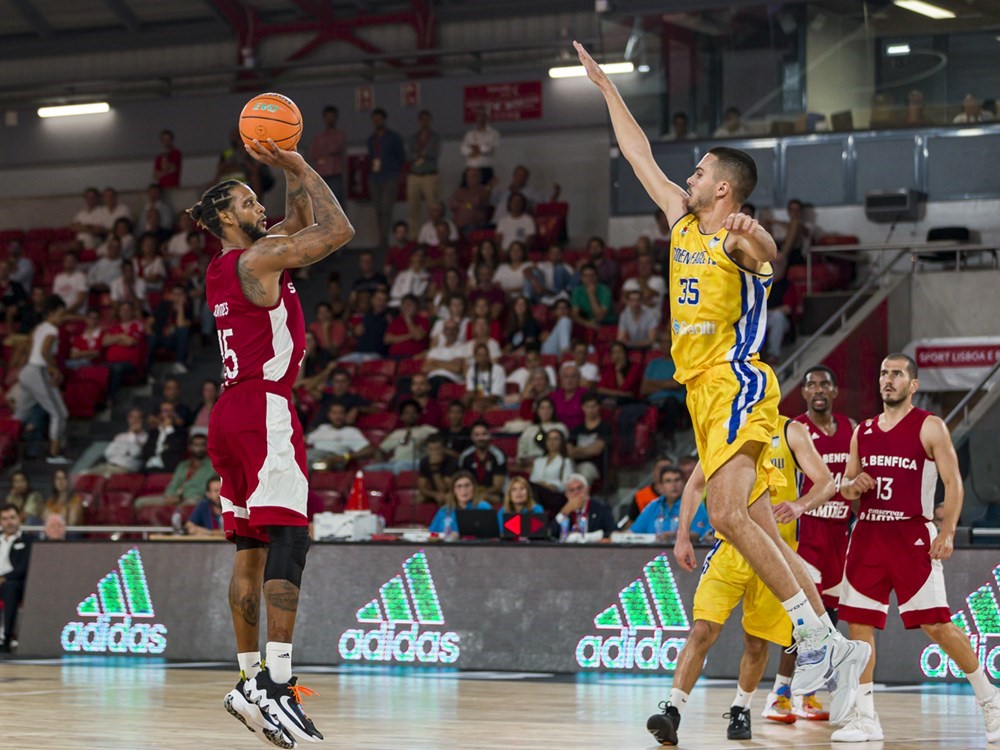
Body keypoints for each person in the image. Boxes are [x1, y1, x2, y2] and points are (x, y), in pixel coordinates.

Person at [573, 39, 867, 746]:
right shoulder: (680, 218)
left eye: (701, 171)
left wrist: (759, 234)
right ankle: (833, 638)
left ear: (724, 190)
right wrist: (607, 90)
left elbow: (768, 256)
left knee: (729, 516)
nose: (690, 174)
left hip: (736, 382)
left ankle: (812, 639)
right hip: (702, 395)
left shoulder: (735, 238)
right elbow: (639, 152)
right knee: (758, 525)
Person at [193, 135, 354, 745]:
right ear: (226, 219)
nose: (259, 208)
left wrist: (288, 174)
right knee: (291, 536)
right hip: (264, 405)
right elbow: (336, 230)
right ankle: (278, 686)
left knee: (248, 551)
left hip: (229, 412)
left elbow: (301, 218)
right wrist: (302, 163)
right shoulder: (258, 259)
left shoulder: (228, 264)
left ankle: (245, 680)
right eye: (248, 203)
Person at [834, 354, 1000, 743]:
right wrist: (851, 487)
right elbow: (844, 484)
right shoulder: (864, 431)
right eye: (883, 374)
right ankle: (865, 716)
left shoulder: (930, 426)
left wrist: (948, 530)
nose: (887, 380)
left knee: (937, 625)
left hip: (911, 536)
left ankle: (990, 699)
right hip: (868, 536)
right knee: (860, 629)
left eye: (896, 374)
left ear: (913, 385)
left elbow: (953, 482)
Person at [670, 412, 837, 742]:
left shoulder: (790, 430)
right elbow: (696, 484)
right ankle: (671, 712)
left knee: (757, 642)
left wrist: (801, 505)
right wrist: (683, 535)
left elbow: (827, 482)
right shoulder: (726, 427)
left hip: (774, 554)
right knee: (702, 629)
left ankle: (741, 708)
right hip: (729, 550)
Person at [17, 295, 71, 464]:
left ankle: (14, 448)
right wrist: (53, 370)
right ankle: (54, 454)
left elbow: (29, 347)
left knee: (21, 414)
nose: (62, 318)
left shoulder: (39, 327)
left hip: (27, 371)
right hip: (37, 371)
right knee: (60, 413)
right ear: (52, 312)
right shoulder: (52, 330)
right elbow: (44, 352)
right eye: (61, 314)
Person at [631, 465, 711, 540]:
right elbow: (633, 532)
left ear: (684, 483)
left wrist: (673, 536)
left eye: (677, 480)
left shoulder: (694, 505)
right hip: (652, 552)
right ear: (660, 487)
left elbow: (698, 535)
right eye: (668, 481)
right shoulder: (653, 506)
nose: (674, 485)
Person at [367, 108, 406, 249]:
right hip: (375, 177)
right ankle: (381, 237)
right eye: (375, 119)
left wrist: (399, 174)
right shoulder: (371, 139)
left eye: (379, 119)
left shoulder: (394, 137)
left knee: (386, 209)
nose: (377, 122)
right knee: (377, 210)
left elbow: (401, 157)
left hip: (390, 176)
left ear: (384, 120)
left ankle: (384, 239)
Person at [369, 399, 437, 474]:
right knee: (368, 469)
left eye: (414, 412)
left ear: (418, 415)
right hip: (394, 463)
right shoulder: (396, 433)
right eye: (407, 413)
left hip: (417, 462)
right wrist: (380, 463)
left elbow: (439, 437)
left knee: (400, 466)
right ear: (401, 417)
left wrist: (427, 439)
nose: (411, 415)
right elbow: (380, 450)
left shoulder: (426, 429)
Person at [0, 503, 31, 653]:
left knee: (9, 588)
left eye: (12, 517)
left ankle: (6, 638)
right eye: (5, 519)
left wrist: (4, 578)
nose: (9, 522)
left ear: (19, 519)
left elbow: (24, 567)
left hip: (14, 582)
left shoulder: (28, 541)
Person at [305, 402, 372, 471]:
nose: (338, 416)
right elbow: (306, 439)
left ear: (346, 415)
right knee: (298, 459)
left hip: (334, 458)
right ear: (329, 415)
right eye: (334, 413)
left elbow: (369, 450)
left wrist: (346, 456)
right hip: (313, 455)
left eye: (341, 413)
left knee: (323, 464)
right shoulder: (323, 427)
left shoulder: (351, 431)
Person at [405, 109, 441, 238]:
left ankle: (435, 234)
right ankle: (414, 235)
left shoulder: (435, 137)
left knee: (433, 206)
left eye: (427, 119)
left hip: (429, 175)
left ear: (430, 121)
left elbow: (434, 153)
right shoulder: (413, 138)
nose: (424, 122)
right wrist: (418, 154)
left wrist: (423, 153)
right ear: (419, 121)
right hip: (415, 174)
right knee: (413, 208)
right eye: (422, 119)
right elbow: (408, 155)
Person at [83, 407, 148, 476]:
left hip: (126, 468)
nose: (134, 420)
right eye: (132, 417)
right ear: (128, 419)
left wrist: (133, 434)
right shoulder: (120, 436)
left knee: (105, 477)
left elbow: (134, 453)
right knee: (83, 474)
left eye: (138, 417)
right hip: (110, 465)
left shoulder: (146, 437)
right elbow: (108, 452)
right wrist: (124, 452)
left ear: (142, 420)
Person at [428, 470, 492, 538]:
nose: (463, 490)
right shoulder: (444, 510)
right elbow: (431, 535)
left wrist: (459, 535)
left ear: (474, 488)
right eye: (459, 486)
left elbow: (493, 535)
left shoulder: (484, 508)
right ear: (453, 491)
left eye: (467, 485)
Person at [458, 421, 507, 505]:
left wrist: (480, 493)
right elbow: (462, 481)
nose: (480, 438)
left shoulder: (498, 456)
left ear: (489, 435)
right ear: (472, 437)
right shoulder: (465, 456)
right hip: (469, 493)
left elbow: (498, 486)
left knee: (484, 498)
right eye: (476, 435)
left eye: (484, 434)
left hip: (492, 494)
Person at [147, 284, 192, 375]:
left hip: (174, 340)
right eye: (175, 294)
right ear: (170, 295)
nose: (177, 297)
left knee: (183, 331)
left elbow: (181, 324)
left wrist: (180, 308)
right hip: (160, 336)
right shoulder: (163, 305)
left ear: (184, 296)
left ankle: (179, 363)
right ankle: (147, 370)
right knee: (150, 339)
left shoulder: (188, 308)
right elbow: (150, 321)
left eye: (179, 295)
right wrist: (149, 331)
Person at [553, 473, 615, 539]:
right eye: (572, 490)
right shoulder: (564, 508)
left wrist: (587, 537)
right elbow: (551, 533)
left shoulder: (601, 508)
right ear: (567, 495)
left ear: (587, 489)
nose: (576, 493)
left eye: (579, 488)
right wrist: (564, 512)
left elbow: (613, 532)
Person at [567, 393, 611, 485]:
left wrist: (577, 451)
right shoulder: (577, 429)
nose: (591, 410)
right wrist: (584, 451)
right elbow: (569, 450)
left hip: (593, 466)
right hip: (573, 464)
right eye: (588, 407)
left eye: (593, 406)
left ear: (599, 407)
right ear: (583, 408)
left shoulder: (604, 427)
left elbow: (596, 450)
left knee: (583, 476)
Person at [308, 105, 346, 205]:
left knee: (337, 204)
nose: (330, 120)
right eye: (328, 117)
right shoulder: (319, 137)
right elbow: (312, 154)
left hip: (335, 175)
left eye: (332, 117)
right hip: (321, 175)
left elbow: (335, 148)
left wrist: (324, 150)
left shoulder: (339, 135)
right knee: (322, 204)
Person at [460, 106, 500, 184]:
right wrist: (478, 149)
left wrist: (476, 149)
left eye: (483, 116)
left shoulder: (494, 134)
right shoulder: (469, 134)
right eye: (478, 116)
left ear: (487, 118)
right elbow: (463, 149)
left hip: (485, 169)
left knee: (485, 194)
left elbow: (490, 149)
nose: (480, 119)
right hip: (470, 168)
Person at [571, 263, 615, 329]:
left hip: (607, 322)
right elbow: (574, 315)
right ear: (581, 278)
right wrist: (587, 323)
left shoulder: (605, 290)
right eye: (586, 276)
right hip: (589, 321)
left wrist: (591, 295)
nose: (589, 278)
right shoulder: (577, 291)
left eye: (592, 275)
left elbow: (600, 316)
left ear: (597, 276)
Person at [418, 434, 458, 507]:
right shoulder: (424, 462)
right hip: (434, 492)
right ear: (427, 450)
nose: (435, 452)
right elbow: (422, 488)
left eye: (437, 449)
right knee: (419, 498)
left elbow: (443, 489)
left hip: (451, 491)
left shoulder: (451, 462)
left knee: (446, 498)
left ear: (443, 449)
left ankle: (446, 518)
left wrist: (435, 468)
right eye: (431, 449)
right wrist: (434, 494)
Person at [530, 429, 574, 494]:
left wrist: (552, 486)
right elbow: (532, 480)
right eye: (549, 439)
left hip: (553, 495)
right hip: (536, 492)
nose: (551, 442)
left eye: (555, 439)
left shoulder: (566, 462)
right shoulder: (538, 461)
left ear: (562, 442)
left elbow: (568, 484)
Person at [448, 168, 492, 233]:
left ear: (480, 177)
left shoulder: (484, 190)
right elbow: (452, 204)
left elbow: (476, 202)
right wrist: (467, 205)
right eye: (469, 176)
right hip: (457, 228)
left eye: (474, 176)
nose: (471, 179)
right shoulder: (460, 191)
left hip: (475, 228)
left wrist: (463, 205)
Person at [465, 343, 506, 411]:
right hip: (478, 400)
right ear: (475, 357)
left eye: (485, 355)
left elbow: (495, 396)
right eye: (479, 355)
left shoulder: (498, 370)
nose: (482, 358)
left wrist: (480, 400)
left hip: (496, 402)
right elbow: (471, 393)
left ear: (489, 356)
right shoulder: (471, 371)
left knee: (478, 406)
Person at [52, 251, 88, 315]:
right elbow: (55, 299)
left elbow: (80, 301)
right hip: (61, 313)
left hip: (76, 312)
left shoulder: (81, 277)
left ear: (76, 263)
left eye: (72, 261)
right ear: (63, 262)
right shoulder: (58, 278)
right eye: (67, 261)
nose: (69, 263)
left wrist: (66, 312)